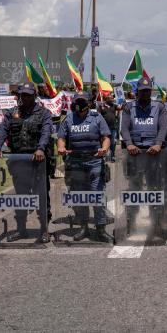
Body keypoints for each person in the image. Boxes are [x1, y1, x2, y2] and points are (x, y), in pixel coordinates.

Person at [0, 83, 53, 243]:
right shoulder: (11, 113)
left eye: (28, 95)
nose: (24, 97)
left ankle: (44, 230)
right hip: (18, 162)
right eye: (22, 95)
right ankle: (21, 229)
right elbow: (2, 131)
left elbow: (46, 132)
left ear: (34, 96)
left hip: (38, 162)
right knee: (21, 197)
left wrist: (40, 148)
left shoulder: (44, 113)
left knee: (42, 197)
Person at [57, 91, 111, 242]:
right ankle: (83, 227)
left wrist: (104, 149)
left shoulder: (96, 117)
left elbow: (106, 137)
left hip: (94, 161)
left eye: (82, 101)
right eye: (77, 101)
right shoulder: (68, 118)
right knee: (79, 196)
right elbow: (61, 138)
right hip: (75, 162)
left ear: (88, 103)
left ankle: (101, 228)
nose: (79, 105)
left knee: (96, 195)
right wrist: (61, 147)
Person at [119, 77, 167, 237]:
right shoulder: (128, 107)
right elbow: (124, 128)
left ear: (151, 91)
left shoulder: (159, 107)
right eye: (142, 91)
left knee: (154, 190)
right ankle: (131, 223)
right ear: (137, 92)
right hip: (134, 155)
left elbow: (163, 128)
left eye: (148, 90)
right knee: (134, 190)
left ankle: (155, 225)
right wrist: (129, 143)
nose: (145, 93)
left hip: (154, 155)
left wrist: (159, 143)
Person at [99, 93, 120, 160]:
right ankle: (104, 155)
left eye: (112, 98)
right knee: (104, 142)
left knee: (113, 142)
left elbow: (120, 108)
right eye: (111, 98)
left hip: (113, 127)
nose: (112, 99)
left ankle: (113, 155)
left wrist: (123, 103)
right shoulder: (102, 106)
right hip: (104, 128)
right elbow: (98, 115)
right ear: (107, 99)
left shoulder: (114, 105)